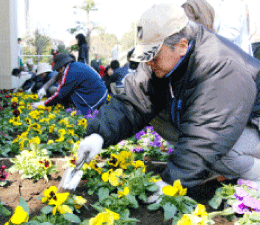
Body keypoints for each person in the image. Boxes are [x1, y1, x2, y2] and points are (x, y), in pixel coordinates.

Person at [75, 3, 260, 203]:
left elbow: (209, 135)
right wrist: (98, 135)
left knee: (222, 148)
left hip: (252, 127)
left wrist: (172, 182)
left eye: (153, 55)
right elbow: (134, 101)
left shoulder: (220, 65)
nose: (148, 63)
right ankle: (208, 168)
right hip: (227, 124)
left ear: (181, 45)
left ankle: (254, 174)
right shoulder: (162, 60)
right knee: (153, 113)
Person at [31, 53, 108, 115]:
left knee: (68, 93)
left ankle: (78, 110)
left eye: (58, 69)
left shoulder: (70, 72)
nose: (57, 71)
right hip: (102, 92)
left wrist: (43, 103)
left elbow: (60, 94)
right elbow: (55, 78)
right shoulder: (73, 66)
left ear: (61, 67)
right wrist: (43, 89)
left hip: (96, 96)